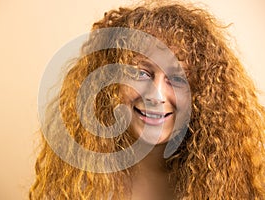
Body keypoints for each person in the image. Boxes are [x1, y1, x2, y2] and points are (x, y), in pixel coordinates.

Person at [29, 1, 265, 199]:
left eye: (177, 78)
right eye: (140, 73)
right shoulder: (78, 182)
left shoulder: (234, 184)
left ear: (203, 94)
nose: (156, 95)